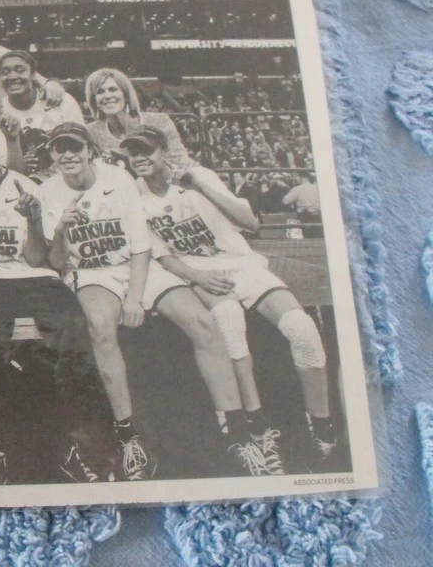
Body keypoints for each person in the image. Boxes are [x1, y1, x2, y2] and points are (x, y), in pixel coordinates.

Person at [40, 123, 278, 479]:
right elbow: (58, 262)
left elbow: (140, 245)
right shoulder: (48, 191)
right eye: (59, 149)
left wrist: (136, 297)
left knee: (202, 323)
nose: (68, 155)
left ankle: (236, 431)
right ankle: (128, 436)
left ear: (89, 149)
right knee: (102, 328)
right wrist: (61, 229)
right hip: (93, 272)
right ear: (52, 155)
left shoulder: (118, 178)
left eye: (74, 147)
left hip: (138, 266)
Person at [125, 126, 339, 466]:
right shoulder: (134, 193)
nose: (139, 158)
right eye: (132, 152)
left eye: (146, 150)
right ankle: (258, 426)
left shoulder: (198, 176)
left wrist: (202, 188)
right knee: (228, 321)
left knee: (303, 329)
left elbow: (250, 222)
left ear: (163, 151)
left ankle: (323, 427)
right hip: (198, 269)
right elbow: (160, 253)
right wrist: (197, 277)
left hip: (240, 262)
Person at [0, 121, 114, 485]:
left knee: (71, 328)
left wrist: (32, 220)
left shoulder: (23, 185)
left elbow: (37, 259)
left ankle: (83, 448)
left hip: (31, 276)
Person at [0, 50, 84, 179]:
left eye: (20, 70)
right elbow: (7, 170)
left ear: (33, 74)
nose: (13, 76)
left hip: (66, 182)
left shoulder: (62, 101)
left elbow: (83, 147)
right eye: (5, 72)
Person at [83, 68, 193, 169]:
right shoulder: (92, 132)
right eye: (100, 92)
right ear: (94, 101)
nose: (107, 96)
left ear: (125, 95)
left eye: (113, 90)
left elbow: (181, 162)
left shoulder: (159, 121)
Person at [283, 173, 321, 238]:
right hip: (318, 216)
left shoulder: (298, 189)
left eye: (296, 177)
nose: (295, 179)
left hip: (305, 217)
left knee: (307, 238)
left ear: (301, 178)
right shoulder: (317, 187)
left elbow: (285, 201)